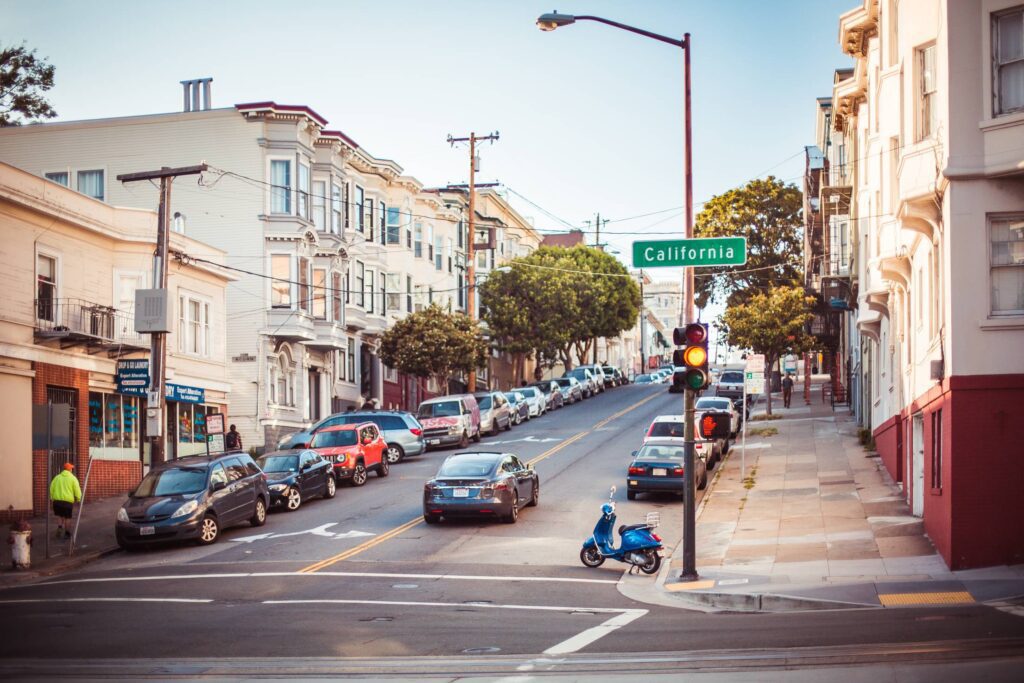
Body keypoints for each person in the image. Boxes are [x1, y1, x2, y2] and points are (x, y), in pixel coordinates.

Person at [49, 462, 82, 539]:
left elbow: (51, 488)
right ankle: (67, 533)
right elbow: (77, 489)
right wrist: (79, 498)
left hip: (57, 501)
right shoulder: (73, 478)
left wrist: (52, 498)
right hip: (67, 502)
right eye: (71, 469)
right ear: (70, 470)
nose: (72, 470)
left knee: (60, 516)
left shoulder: (57, 478)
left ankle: (60, 527)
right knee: (68, 517)